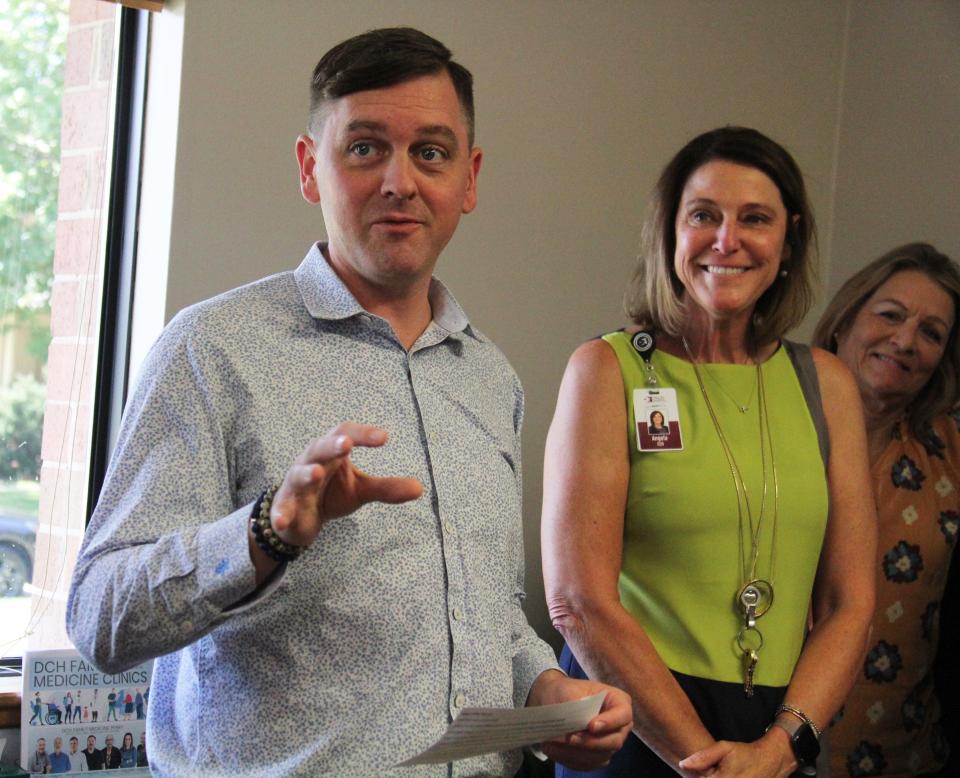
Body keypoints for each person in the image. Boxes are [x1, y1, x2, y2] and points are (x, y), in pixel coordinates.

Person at [66, 26, 630, 777]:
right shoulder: (212, 348)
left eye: (431, 151)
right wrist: (266, 533)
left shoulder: (491, 378)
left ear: (470, 177)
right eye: (364, 148)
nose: (400, 181)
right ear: (310, 169)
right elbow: (101, 619)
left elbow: (487, 613)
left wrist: (546, 688)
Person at [541, 126, 877, 777]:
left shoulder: (827, 384)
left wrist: (781, 748)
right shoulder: (607, 371)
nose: (727, 240)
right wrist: (703, 761)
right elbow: (577, 600)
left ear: (789, 241)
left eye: (755, 219)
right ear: (669, 233)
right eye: (704, 216)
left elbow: (850, 604)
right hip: (630, 724)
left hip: (775, 733)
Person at [812, 243, 960, 777]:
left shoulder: (951, 447)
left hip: (904, 754)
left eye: (931, 333)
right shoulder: (769, 414)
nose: (905, 341)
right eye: (891, 315)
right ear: (846, 318)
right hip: (760, 747)